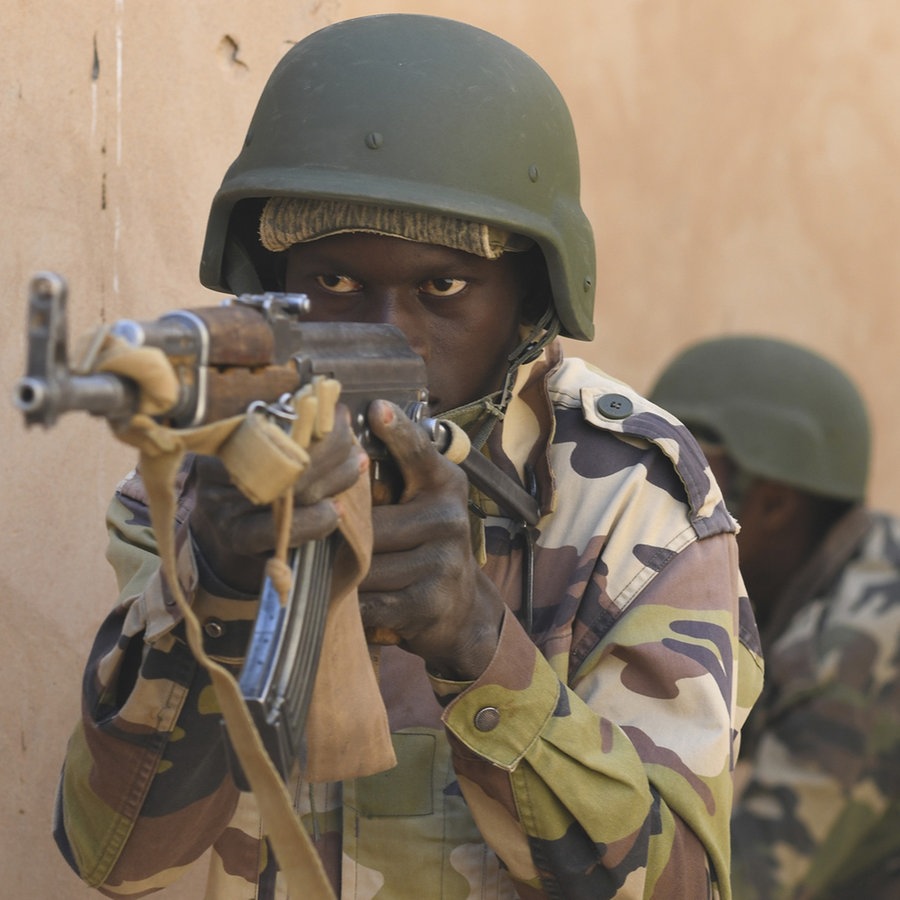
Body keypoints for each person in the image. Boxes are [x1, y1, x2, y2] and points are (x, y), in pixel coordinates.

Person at [52, 15, 763, 899]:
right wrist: (220, 591)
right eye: (335, 282)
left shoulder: (631, 501)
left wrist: (477, 644)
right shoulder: (203, 484)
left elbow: (682, 887)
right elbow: (117, 857)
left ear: (529, 303)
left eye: (443, 286)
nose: (389, 336)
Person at [648, 335, 900, 899]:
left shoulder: (858, 649)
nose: (647, 496)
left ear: (773, 503)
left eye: (678, 475)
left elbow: (740, 888)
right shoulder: (825, 578)